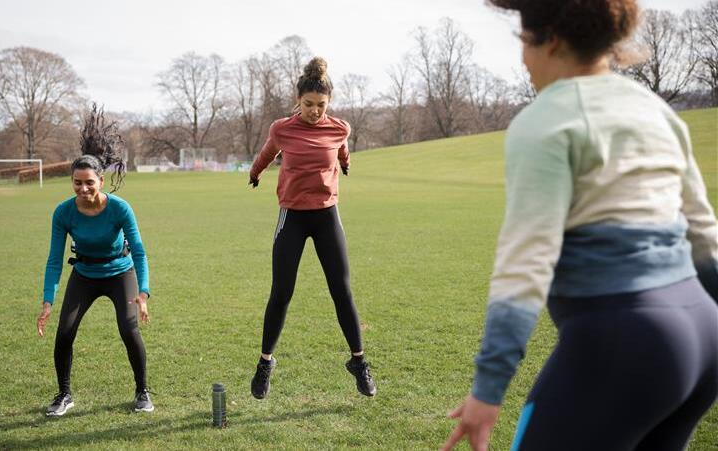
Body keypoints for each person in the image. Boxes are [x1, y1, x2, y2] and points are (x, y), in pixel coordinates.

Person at [443, 1, 718, 449]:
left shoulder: (546, 121)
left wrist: (488, 389)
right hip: (703, 335)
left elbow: (525, 268)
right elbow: (704, 236)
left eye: (523, 42)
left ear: (550, 40)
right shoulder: (654, 109)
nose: (523, 60)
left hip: (624, 342)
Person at [247, 57, 377, 399]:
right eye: (308, 104)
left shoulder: (339, 128)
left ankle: (359, 362)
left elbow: (342, 150)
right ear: (298, 100)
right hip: (292, 216)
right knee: (281, 292)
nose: (315, 111)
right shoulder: (282, 129)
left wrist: (346, 164)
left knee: (342, 290)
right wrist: (255, 172)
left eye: (321, 105)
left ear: (329, 102)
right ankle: (265, 363)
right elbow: (267, 153)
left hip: (326, 215)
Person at [36, 104, 154, 416]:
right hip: (85, 274)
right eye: (77, 182)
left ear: (101, 180)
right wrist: (48, 300)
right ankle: (64, 394)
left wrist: (143, 292)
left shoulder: (120, 208)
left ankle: (142, 391)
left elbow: (139, 251)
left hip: (120, 273)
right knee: (65, 332)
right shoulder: (63, 212)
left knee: (129, 329)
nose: (83, 188)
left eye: (89, 182)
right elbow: (54, 260)